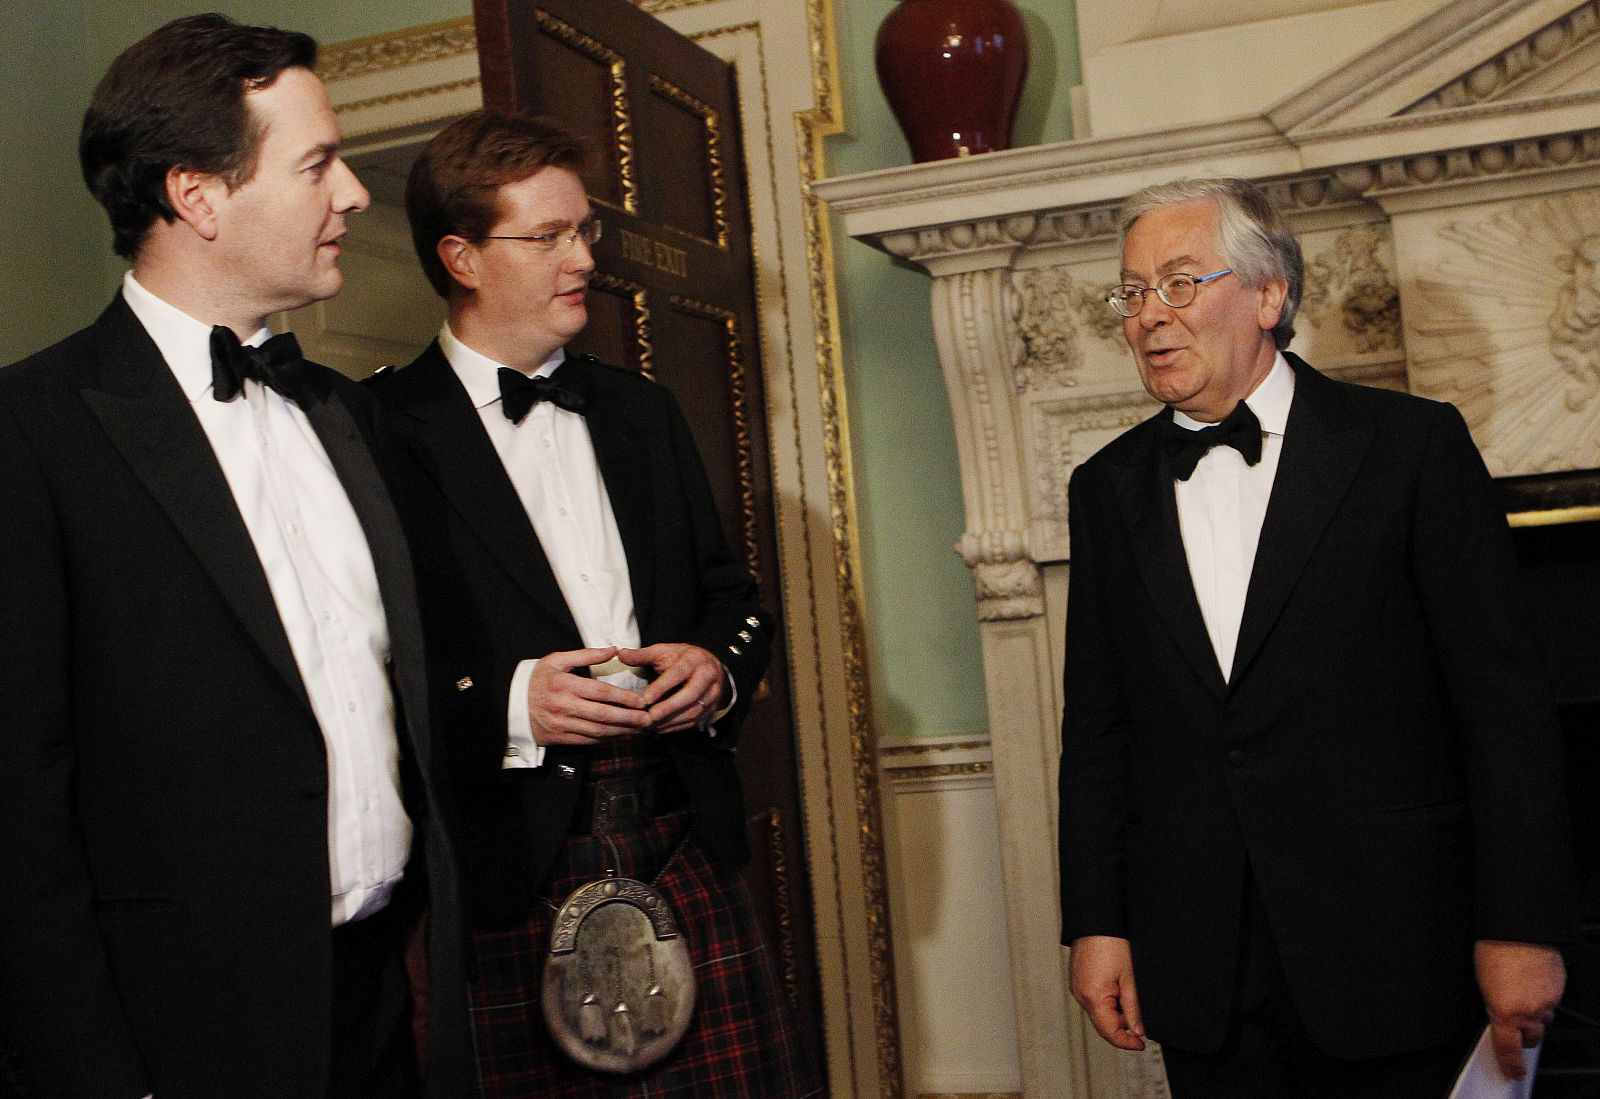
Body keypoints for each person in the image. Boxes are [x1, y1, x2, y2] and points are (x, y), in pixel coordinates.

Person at [0, 15, 468, 1098]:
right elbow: (18, 814)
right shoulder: (30, 431)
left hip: (383, 1010)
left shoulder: (348, 414)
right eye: (316, 164)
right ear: (197, 196)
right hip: (182, 1035)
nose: (354, 193)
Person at [1057, 176, 1578, 1097]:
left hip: (1396, 949)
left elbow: (1505, 711)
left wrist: (1521, 926)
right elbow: (1099, 731)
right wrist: (1098, 922)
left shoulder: (1410, 446)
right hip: (1204, 965)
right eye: (1133, 291)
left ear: (1269, 295)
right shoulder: (1105, 486)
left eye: (1179, 282)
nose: (1149, 315)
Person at [370, 108, 819, 1098]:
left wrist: (716, 665)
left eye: (584, 230)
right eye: (547, 237)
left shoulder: (640, 410)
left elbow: (729, 596)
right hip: (511, 857)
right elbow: (361, 668)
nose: (582, 258)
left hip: (675, 827)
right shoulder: (378, 430)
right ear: (462, 257)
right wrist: (509, 702)